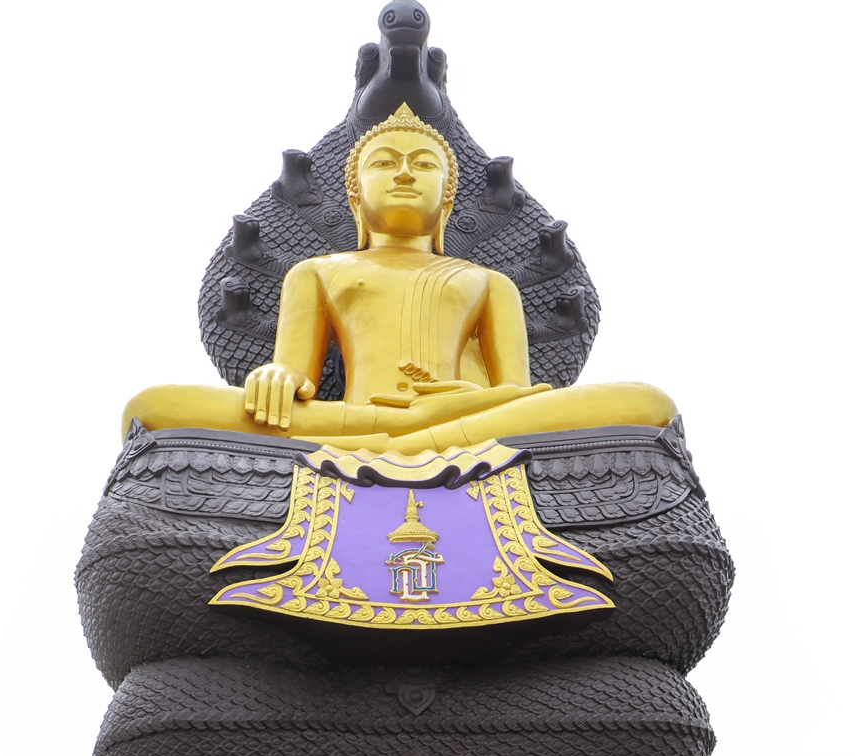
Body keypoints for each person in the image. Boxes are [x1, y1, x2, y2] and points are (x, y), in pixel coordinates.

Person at [123, 104, 676, 482]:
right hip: (352, 421)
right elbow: (297, 373)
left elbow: (520, 395)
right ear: (356, 199)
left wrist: (465, 401)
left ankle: (400, 449)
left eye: (424, 164)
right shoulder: (315, 271)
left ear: (449, 201)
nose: (405, 173)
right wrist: (277, 378)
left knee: (650, 405)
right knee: (149, 408)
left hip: (468, 423)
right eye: (384, 163)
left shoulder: (489, 282)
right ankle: (405, 445)